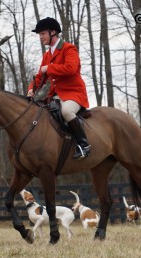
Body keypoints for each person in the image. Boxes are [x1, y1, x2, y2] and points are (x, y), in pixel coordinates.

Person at [28, 17, 91, 160]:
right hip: (56, 96)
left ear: (53, 32)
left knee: (67, 112)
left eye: (42, 34)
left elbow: (70, 69)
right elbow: (40, 77)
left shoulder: (69, 49)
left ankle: (83, 145)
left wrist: (49, 68)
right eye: (40, 35)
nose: (41, 37)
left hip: (74, 94)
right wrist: (31, 89)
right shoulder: (47, 55)